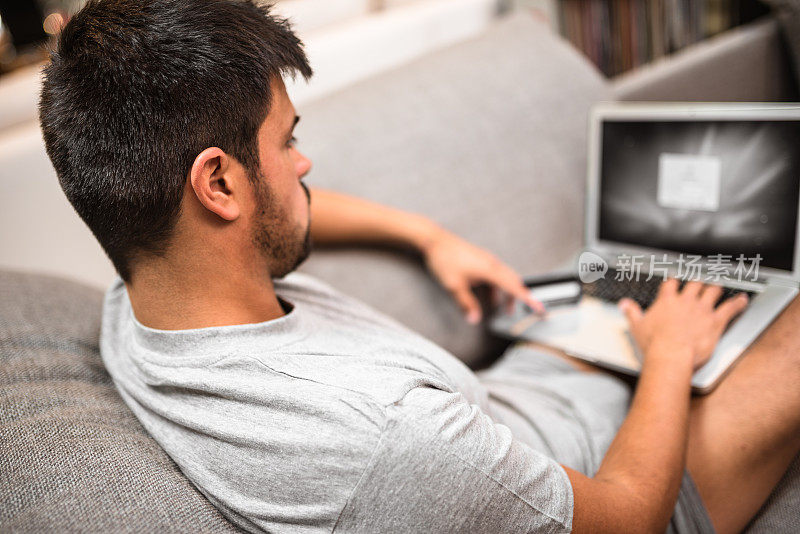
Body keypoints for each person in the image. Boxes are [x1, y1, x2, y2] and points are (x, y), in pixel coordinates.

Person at [39, 1, 799, 533]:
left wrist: (426, 234)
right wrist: (670, 354)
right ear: (219, 184)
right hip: (632, 479)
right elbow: (627, 517)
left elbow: (288, 208)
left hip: (528, 398)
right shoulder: (388, 438)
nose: (305, 164)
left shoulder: (143, 293)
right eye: (285, 142)